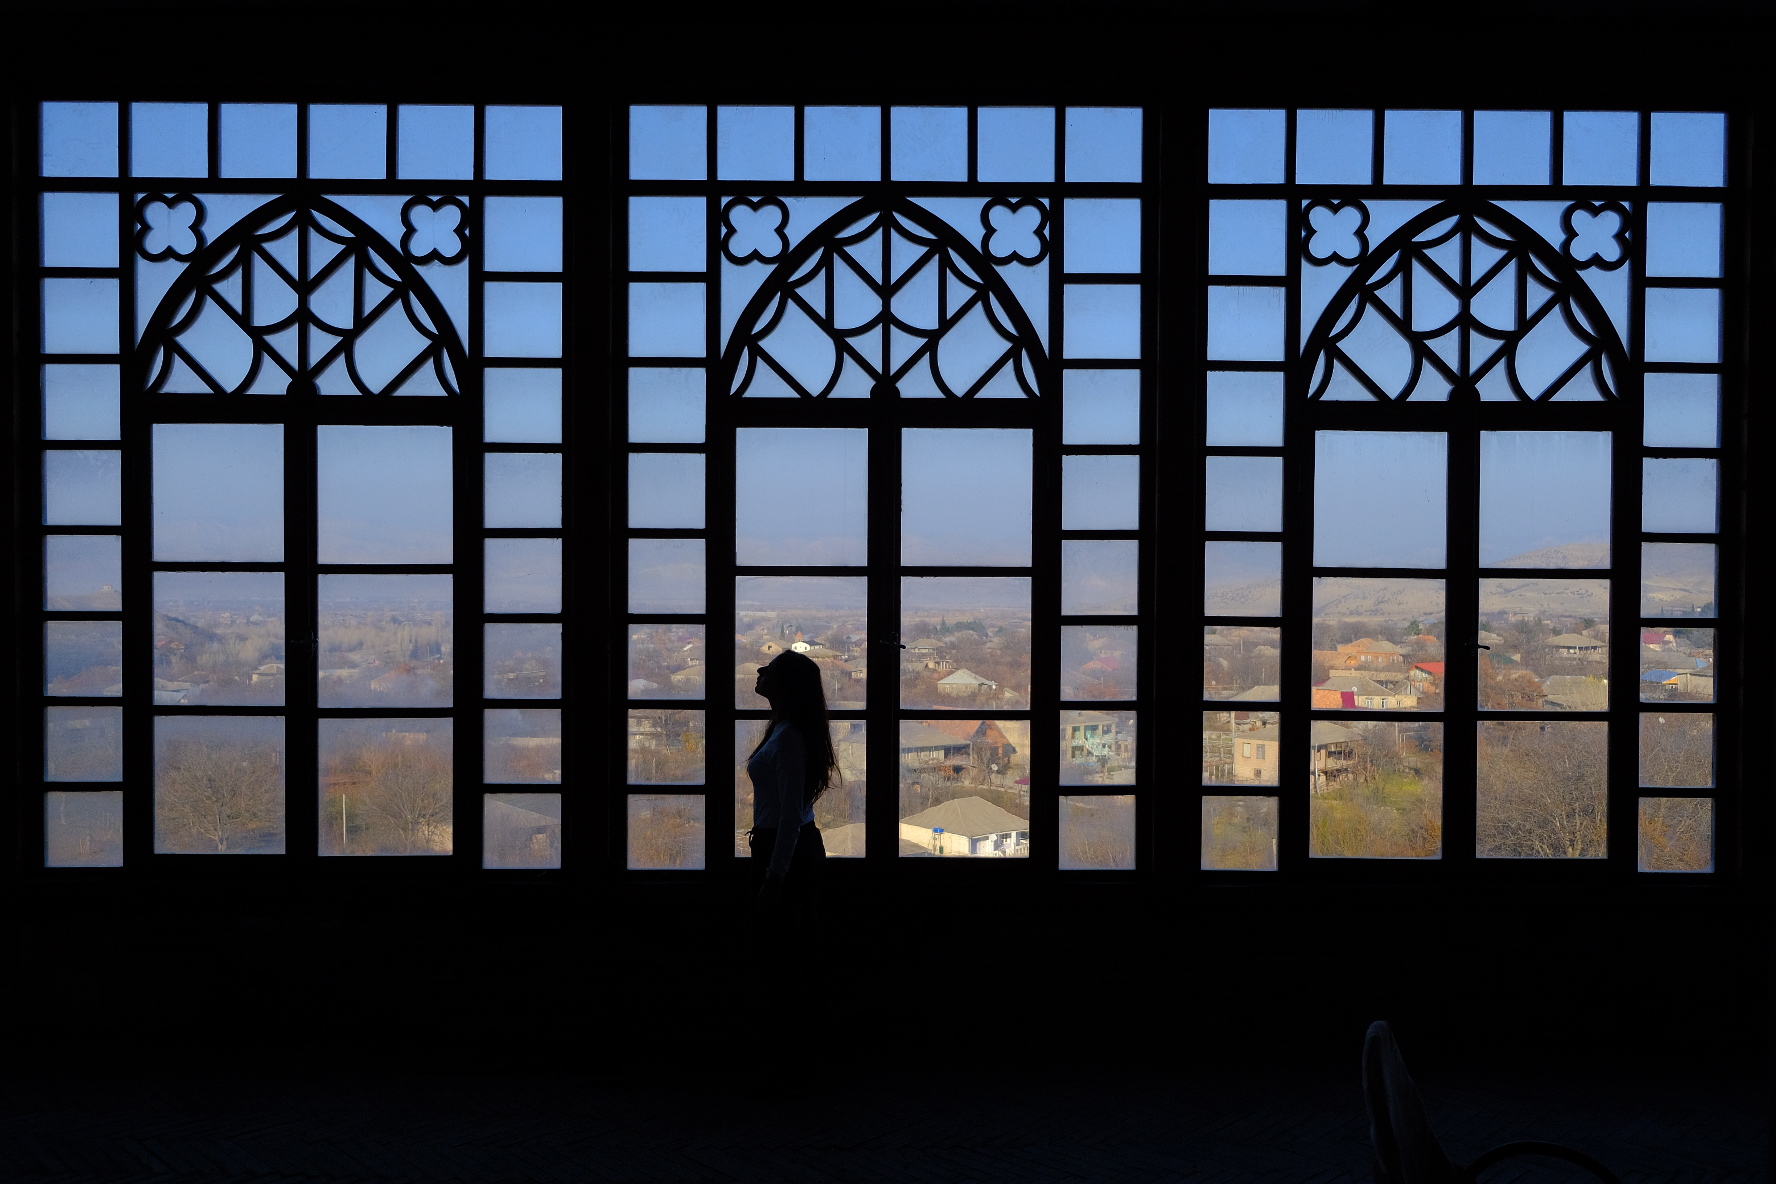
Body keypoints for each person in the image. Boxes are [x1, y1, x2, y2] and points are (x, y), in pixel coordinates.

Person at [746, 650, 837, 925]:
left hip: (786, 852)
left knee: (783, 935)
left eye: (770, 669)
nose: (760, 671)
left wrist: (775, 876)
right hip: (790, 847)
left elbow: (790, 815)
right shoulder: (784, 730)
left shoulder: (787, 738)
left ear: (786, 685)